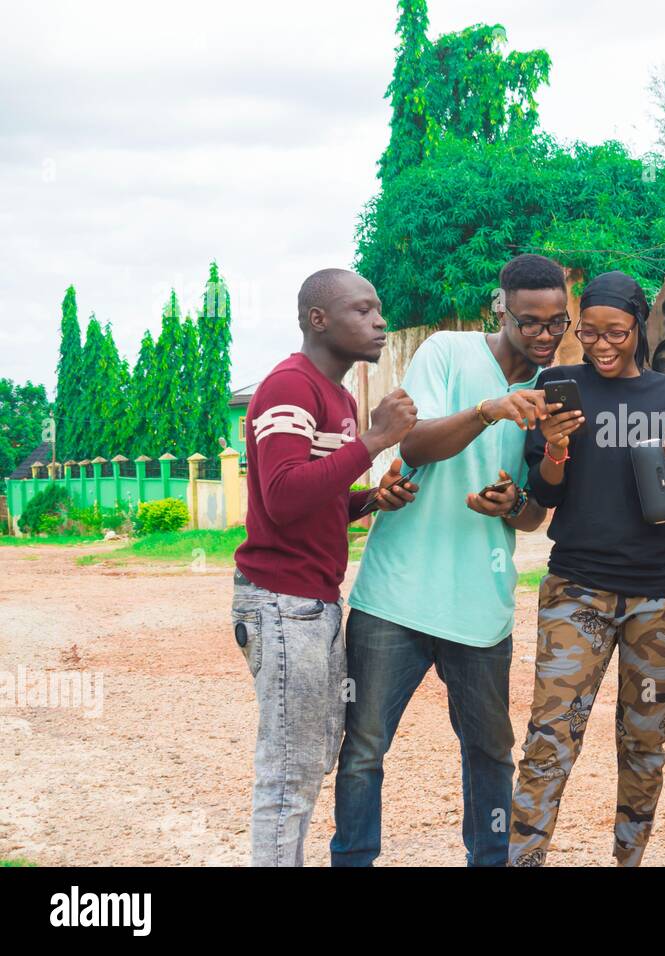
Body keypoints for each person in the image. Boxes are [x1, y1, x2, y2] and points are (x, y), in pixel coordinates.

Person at [330, 254, 565, 867]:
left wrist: (511, 503)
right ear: (501, 309)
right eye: (530, 322)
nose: (545, 336)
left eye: (556, 323)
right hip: (395, 596)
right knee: (363, 748)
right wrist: (486, 410)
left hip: (480, 610)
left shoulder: (551, 391)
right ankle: (353, 859)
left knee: (490, 750)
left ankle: (489, 860)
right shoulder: (446, 351)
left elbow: (535, 515)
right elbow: (414, 442)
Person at [508, 271, 665, 867]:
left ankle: (629, 857)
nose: (602, 344)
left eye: (616, 331)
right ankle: (523, 859)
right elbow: (546, 495)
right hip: (578, 589)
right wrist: (557, 448)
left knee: (643, 741)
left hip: (662, 594)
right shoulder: (557, 384)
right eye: (589, 331)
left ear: (637, 327)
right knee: (551, 734)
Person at [232, 267, 418, 867]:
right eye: (362, 310)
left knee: (308, 759)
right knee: (288, 772)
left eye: (378, 308)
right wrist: (374, 441)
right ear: (319, 319)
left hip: (310, 603)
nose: (379, 320)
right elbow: (283, 496)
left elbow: (315, 499)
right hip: (282, 601)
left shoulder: (336, 394)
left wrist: (370, 499)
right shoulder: (290, 386)